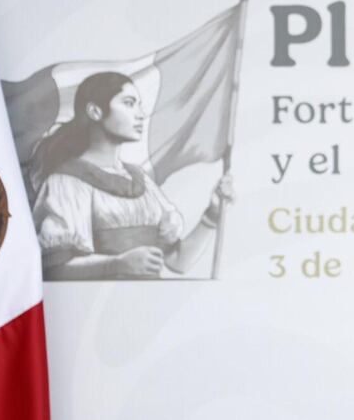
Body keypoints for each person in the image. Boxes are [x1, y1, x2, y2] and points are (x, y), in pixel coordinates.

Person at [30, 71, 233, 280]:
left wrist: (212, 214)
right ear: (95, 111)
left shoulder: (141, 180)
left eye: (138, 104)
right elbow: (54, 269)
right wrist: (116, 264)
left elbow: (177, 261)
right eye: (129, 103)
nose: (140, 114)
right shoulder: (66, 182)